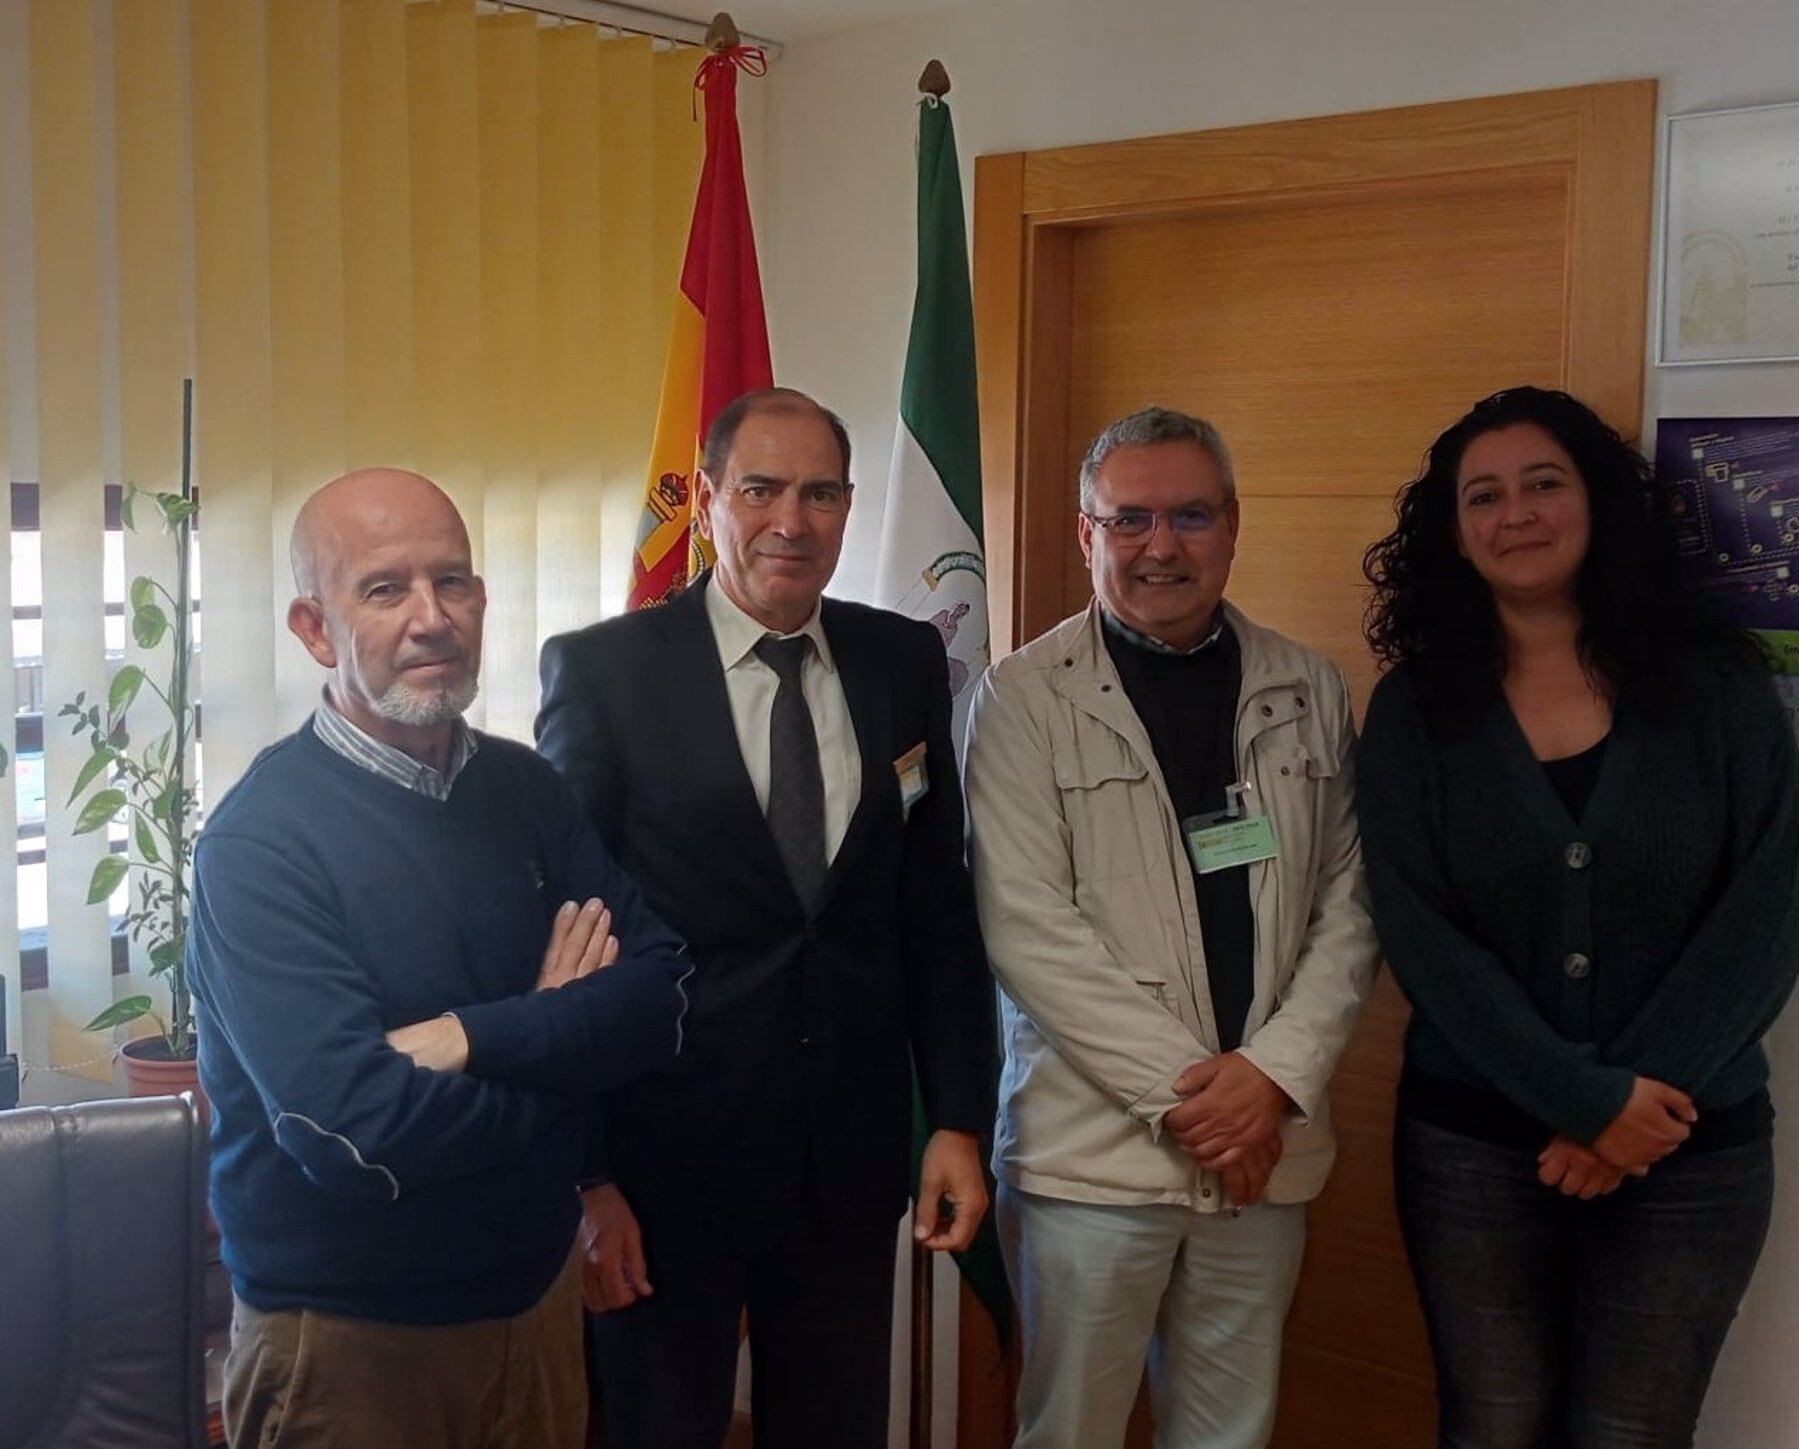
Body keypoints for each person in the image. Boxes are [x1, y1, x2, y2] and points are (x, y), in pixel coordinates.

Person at [187, 469, 692, 1449]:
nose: (432, 618)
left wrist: (474, 1035)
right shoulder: (261, 844)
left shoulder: (527, 792)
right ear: (315, 630)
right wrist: (563, 1048)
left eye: (453, 583)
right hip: (347, 1347)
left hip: (534, 1313)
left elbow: (657, 996)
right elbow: (355, 1137)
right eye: (385, 589)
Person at [536, 387, 998, 1448]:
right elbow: (567, 939)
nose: (791, 521)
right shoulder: (606, 673)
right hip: (663, 1165)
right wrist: (587, 1176)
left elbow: (932, 910)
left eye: (821, 493)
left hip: (845, 1158)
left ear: (847, 506)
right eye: (761, 489)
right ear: (706, 501)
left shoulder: (900, 661)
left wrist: (959, 1120)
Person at [1356, 386, 1799, 1448]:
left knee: (1633, 1434)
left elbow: (1768, 910)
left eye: (1543, 484)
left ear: (1597, 502)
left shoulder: (1717, 684)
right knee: (1493, 1426)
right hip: (1473, 1151)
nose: (1515, 514)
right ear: (1454, 533)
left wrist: (1629, 1113)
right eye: (1484, 496)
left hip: (1689, 1148)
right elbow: (1419, 929)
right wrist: (1579, 1096)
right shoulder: (1417, 710)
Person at [964, 406, 1378, 1448]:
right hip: (1094, 1164)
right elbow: (1026, 927)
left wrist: (1272, 1082)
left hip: (1267, 1152)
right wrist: (1201, 1108)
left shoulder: (1307, 689)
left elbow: (1352, 907)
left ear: (1233, 524)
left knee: (1230, 1432)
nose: (1161, 546)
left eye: (1189, 515)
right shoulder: (1021, 698)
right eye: (1130, 520)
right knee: (1070, 1432)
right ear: (1085, 534)